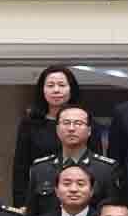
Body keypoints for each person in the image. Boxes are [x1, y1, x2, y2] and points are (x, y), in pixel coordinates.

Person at [25, 105, 119, 216]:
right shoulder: (40, 169)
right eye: (66, 123)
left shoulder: (106, 170)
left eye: (78, 123)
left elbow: (112, 214)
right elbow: (32, 215)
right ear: (57, 129)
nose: (71, 128)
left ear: (89, 131)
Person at [12, 66, 82, 206]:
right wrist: (21, 204)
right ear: (42, 90)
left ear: (71, 89)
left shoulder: (85, 122)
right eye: (50, 85)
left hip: (78, 196)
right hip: (41, 196)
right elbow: (21, 167)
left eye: (61, 85)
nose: (56, 90)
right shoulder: (29, 124)